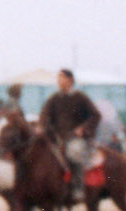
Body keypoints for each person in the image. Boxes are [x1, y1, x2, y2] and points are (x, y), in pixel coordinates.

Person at [38, 67, 102, 195]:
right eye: (58, 78)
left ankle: (78, 186)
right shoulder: (54, 98)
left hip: (75, 139)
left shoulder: (80, 97)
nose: (58, 81)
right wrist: (41, 126)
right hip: (56, 139)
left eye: (61, 77)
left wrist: (83, 128)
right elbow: (44, 115)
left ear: (70, 80)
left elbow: (96, 115)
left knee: (74, 152)